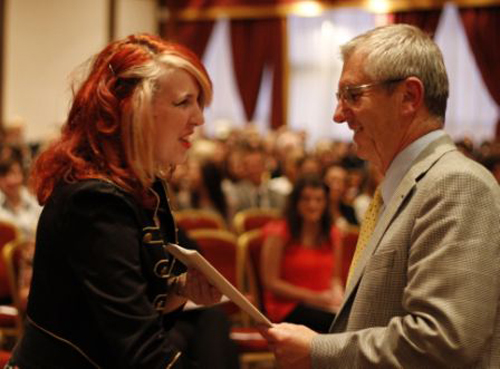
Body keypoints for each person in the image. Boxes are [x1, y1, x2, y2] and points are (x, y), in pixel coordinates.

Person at [259, 24, 500, 369]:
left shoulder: (457, 185)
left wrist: (319, 350)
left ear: (409, 97)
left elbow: (443, 340)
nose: (338, 115)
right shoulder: (405, 187)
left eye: (353, 95)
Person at [8, 34, 222, 369]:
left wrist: (179, 290)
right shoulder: (94, 200)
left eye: (199, 104)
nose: (198, 119)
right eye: (183, 103)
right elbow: (140, 352)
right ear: (133, 109)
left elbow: (120, 319)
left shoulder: (142, 188)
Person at [261, 176, 344, 333]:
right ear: (296, 203)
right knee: (340, 325)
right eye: (306, 199)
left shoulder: (332, 234)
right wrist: (315, 297)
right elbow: (270, 282)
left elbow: (335, 278)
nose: (312, 205)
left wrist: (338, 294)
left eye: (319, 200)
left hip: (324, 304)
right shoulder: (278, 232)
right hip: (286, 307)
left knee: (357, 317)